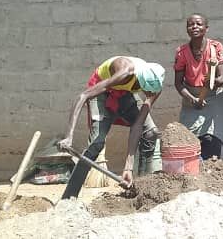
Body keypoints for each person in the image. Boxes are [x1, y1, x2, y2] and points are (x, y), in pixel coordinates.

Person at [58, 56, 164, 198]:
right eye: (147, 92)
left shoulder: (155, 86)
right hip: (102, 91)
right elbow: (82, 96)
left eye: (151, 93)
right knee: (96, 143)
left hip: (125, 93)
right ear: (140, 80)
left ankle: (142, 190)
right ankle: (69, 197)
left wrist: (128, 167)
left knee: (150, 132)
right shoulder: (125, 71)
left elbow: (138, 124)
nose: (149, 95)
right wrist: (68, 136)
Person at [173, 14, 223, 161]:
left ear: (206, 28)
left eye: (199, 24)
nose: (194, 27)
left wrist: (210, 82)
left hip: (213, 95)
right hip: (191, 98)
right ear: (187, 29)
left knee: (215, 137)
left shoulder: (216, 48)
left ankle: (219, 171)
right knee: (188, 139)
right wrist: (193, 99)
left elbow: (220, 78)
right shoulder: (181, 52)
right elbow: (178, 84)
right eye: (191, 24)